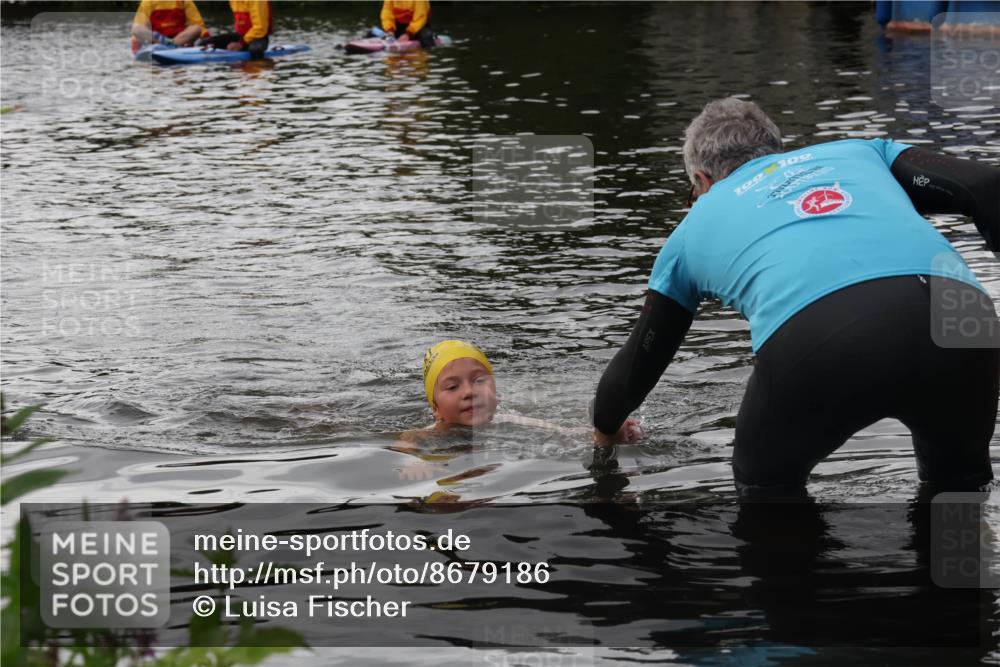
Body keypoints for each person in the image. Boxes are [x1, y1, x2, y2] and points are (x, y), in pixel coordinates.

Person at [592, 97, 1000, 499]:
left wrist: (607, 428)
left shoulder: (691, 228)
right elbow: (985, 186)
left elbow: (639, 362)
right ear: (776, 149)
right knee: (958, 492)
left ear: (701, 180)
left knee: (766, 494)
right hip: (961, 315)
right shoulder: (863, 152)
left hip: (824, 335)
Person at [197, 0, 271, 59]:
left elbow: (260, 28)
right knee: (204, 43)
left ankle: (257, 67)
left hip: (258, 38)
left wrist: (241, 44)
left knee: (255, 50)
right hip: (240, 37)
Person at [130, 0, 207, 51]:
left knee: (196, 28)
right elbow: (139, 25)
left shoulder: (184, 1)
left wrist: (207, 39)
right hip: (155, 40)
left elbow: (197, 23)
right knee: (136, 28)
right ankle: (165, 45)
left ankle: (170, 45)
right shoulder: (148, 1)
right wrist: (137, 44)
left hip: (179, 40)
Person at [371, 0, 436, 49]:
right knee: (372, 31)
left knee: (426, 36)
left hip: (419, 28)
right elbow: (386, 14)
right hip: (398, 27)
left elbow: (420, 18)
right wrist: (390, 30)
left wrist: (408, 34)